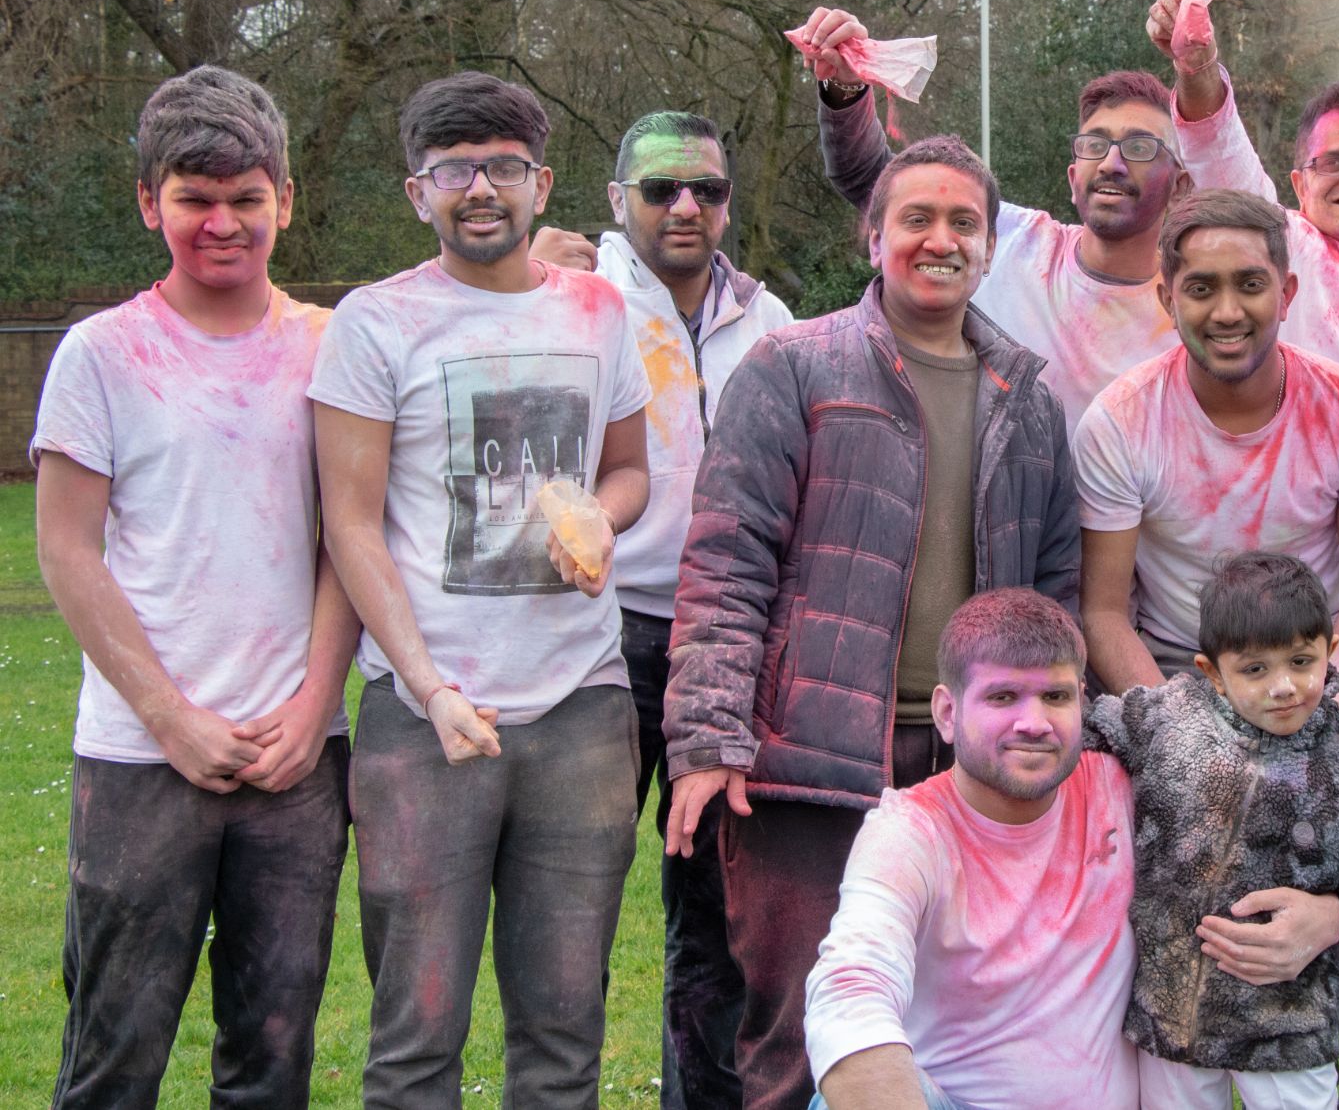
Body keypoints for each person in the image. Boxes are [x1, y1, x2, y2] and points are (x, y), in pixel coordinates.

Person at [662, 136, 1079, 1110]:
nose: (939, 240)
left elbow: (1053, 598)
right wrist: (709, 738)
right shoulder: (791, 368)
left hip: (964, 764)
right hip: (805, 773)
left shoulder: (1028, 399)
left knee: (949, 1032)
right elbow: (725, 563)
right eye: (916, 220)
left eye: (963, 223)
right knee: (802, 1038)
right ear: (873, 234)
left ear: (988, 245)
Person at [311, 71, 653, 1108]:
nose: (479, 189)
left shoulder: (599, 312)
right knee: (415, 1039)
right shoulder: (373, 324)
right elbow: (351, 523)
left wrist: (602, 514)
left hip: (583, 712)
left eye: (501, 166)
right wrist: (425, 684)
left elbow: (631, 471)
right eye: (452, 170)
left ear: (540, 183)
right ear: (417, 191)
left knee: (563, 1037)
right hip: (426, 720)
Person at [35, 66, 355, 1109]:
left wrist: (313, 712)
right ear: (148, 203)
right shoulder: (100, 355)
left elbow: (343, 544)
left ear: (286, 201)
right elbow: (67, 554)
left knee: (270, 1063)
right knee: (114, 1055)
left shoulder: (328, 349)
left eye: (246, 198)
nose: (222, 223)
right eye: (194, 198)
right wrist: (170, 719)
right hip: (139, 759)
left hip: (293, 765)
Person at [804, 588, 1339, 1110]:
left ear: (1082, 702)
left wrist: (1330, 915)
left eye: (1056, 696)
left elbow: (1285, 819)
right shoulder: (910, 832)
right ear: (948, 713)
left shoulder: (1127, 786)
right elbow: (851, 988)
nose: (1034, 723)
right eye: (1002, 697)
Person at [534, 109, 792, 1109]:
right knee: (572, 914)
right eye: (658, 189)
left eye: (708, 190)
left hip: (727, 640)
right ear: (614, 200)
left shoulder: (769, 321)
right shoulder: (564, 296)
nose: (685, 207)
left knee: (718, 917)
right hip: (600, 637)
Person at [1086, 553, 1339, 1110]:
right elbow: (1083, 728)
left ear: (1330, 651)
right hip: (1172, 1024)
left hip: (1288, 1032)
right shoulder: (1167, 721)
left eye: (1300, 660)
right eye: (1255, 669)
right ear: (1212, 672)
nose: (1284, 686)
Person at [790, 7, 1194, 434]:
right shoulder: (1011, 241)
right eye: (1095, 144)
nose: (1112, 163)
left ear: (1181, 186)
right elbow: (874, 178)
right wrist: (845, 87)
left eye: (1140, 147)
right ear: (1073, 178)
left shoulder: (1198, 305)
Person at [1071, 189, 1339, 713]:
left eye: (1250, 285)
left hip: (1317, 664)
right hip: (1176, 667)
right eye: (1201, 288)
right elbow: (1103, 613)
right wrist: (1173, 723)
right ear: (1167, 301)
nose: (1226, 312)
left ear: (1286, 294)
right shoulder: (1120, 424)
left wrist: (1323, 692)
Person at [1145, 0, 1339, 384]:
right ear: (1300, 186)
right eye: (1333, 162)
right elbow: (1219, 149)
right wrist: (1197, 66)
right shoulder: (1287, 250)